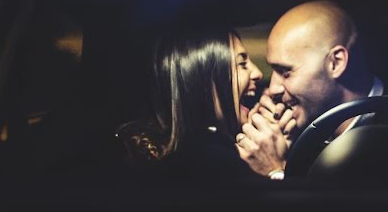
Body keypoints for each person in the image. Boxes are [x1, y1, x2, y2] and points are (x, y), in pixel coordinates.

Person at [118, 26, 291, 180]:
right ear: (201, 82)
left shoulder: (188, 152)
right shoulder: (208, 164)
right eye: (242, 63)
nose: (258, 73)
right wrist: (274, 170)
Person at [236, 1, 384, 176]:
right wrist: (275, 145)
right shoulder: (303, 131)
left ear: (335, 63)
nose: (273, 88)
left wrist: (275, 170)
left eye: (285, 72)